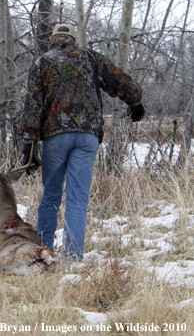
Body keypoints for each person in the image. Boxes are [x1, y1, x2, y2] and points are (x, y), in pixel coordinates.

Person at [19, 23, 145, 260]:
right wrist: (135, 103)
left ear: (52, 38)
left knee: (51, 195)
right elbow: (121, 81)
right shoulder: (92, 58)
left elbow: (32, 104)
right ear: (74, 40)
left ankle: (42, 254)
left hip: (55, 136)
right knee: (78, 198)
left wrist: (28, 140)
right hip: (87, 137)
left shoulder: (42, 62)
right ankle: (73, 258)